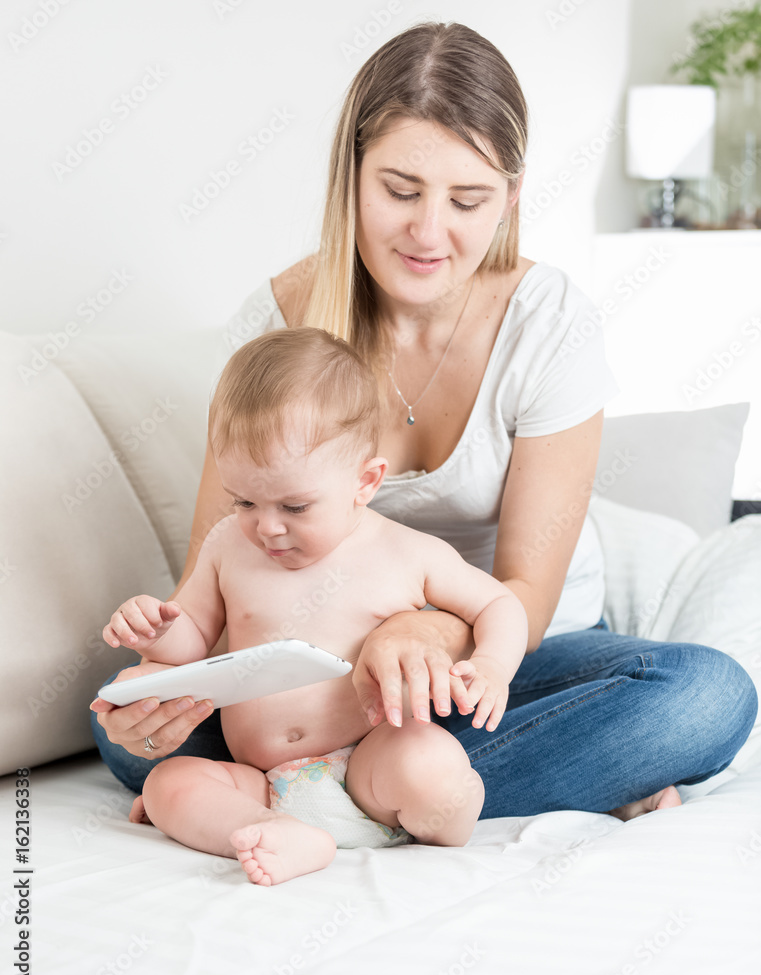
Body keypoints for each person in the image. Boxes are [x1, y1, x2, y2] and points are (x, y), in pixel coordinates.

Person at [91, 21, 757, 824]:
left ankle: (325, 799)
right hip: (310, 683)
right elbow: (218, 569)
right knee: (120, 731)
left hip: (504, 662)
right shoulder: (275, 326)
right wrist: (163, 691)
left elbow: (525, 596)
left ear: (509, 197)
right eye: (400, 191)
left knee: (704, 696)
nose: (428, 232)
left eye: (467, 200)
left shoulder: (546, 325)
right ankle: (425, 792)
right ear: (352, 177)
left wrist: (415, 633)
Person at [100, 327, 525, 885]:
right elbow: (190, 640)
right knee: (168, 783)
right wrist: (152, 630)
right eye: (246, 500)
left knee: (428, 759)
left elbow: (499, 602)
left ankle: (446, 812)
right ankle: (278, 834)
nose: (267, 526)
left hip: (369, 770)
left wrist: (493, 666)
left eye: (295, 505)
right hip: (265, 781)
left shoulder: (405, 552)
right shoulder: (229, 544)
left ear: (365, 482)